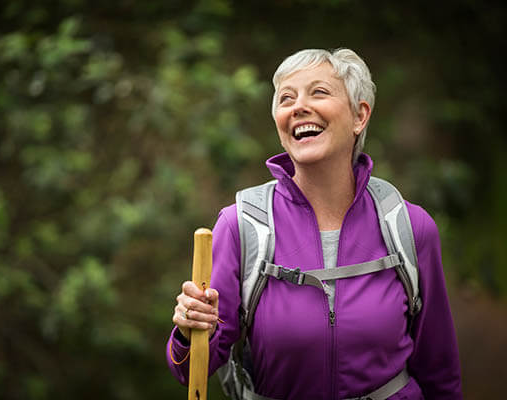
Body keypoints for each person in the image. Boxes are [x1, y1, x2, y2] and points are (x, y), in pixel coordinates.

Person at [166, 48, 462, 399]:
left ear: (359, 115)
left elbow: (440, 372)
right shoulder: (240, 225)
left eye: (319, 92)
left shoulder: (409, 227)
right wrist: (189, 332)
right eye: (286, 98)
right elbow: (191, 371)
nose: (298, 107)